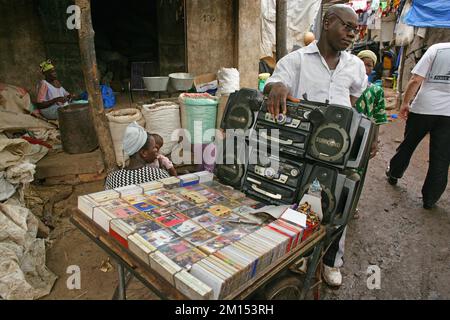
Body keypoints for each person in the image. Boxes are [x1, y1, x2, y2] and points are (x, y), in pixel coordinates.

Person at [264, 4, 366, 287]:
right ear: (327, 22)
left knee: (337, 207)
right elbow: (273, 83)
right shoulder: (296, 61)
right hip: (303, 152)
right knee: (298, 201)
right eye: (346, 26)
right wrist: (277, 87)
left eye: (355, 30)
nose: (351, 34)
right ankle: (299, 254)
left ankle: (332, 261)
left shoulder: (355, 65)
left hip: (340, 152)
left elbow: (355, 101)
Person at [386, 43, 450, 210]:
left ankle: (394, 174)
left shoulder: (437, 49)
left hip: (424, 108)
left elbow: (416, 80)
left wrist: (405, 103)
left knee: (408, 144)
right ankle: (430, 199)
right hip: (448, 116)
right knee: (441, 157)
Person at [105, 122, 170, 189]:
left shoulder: (112, 178)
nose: (156, 150)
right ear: (144, 153)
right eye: (154, 147)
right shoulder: (160, 175)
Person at [356, 50, 389, 158]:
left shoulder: (376, 90)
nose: (365, 67)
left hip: (364, 134)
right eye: (362, 63)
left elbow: (377, 118)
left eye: (369, 65)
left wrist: (374, 141)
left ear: (373, 69)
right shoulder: (346, 85)